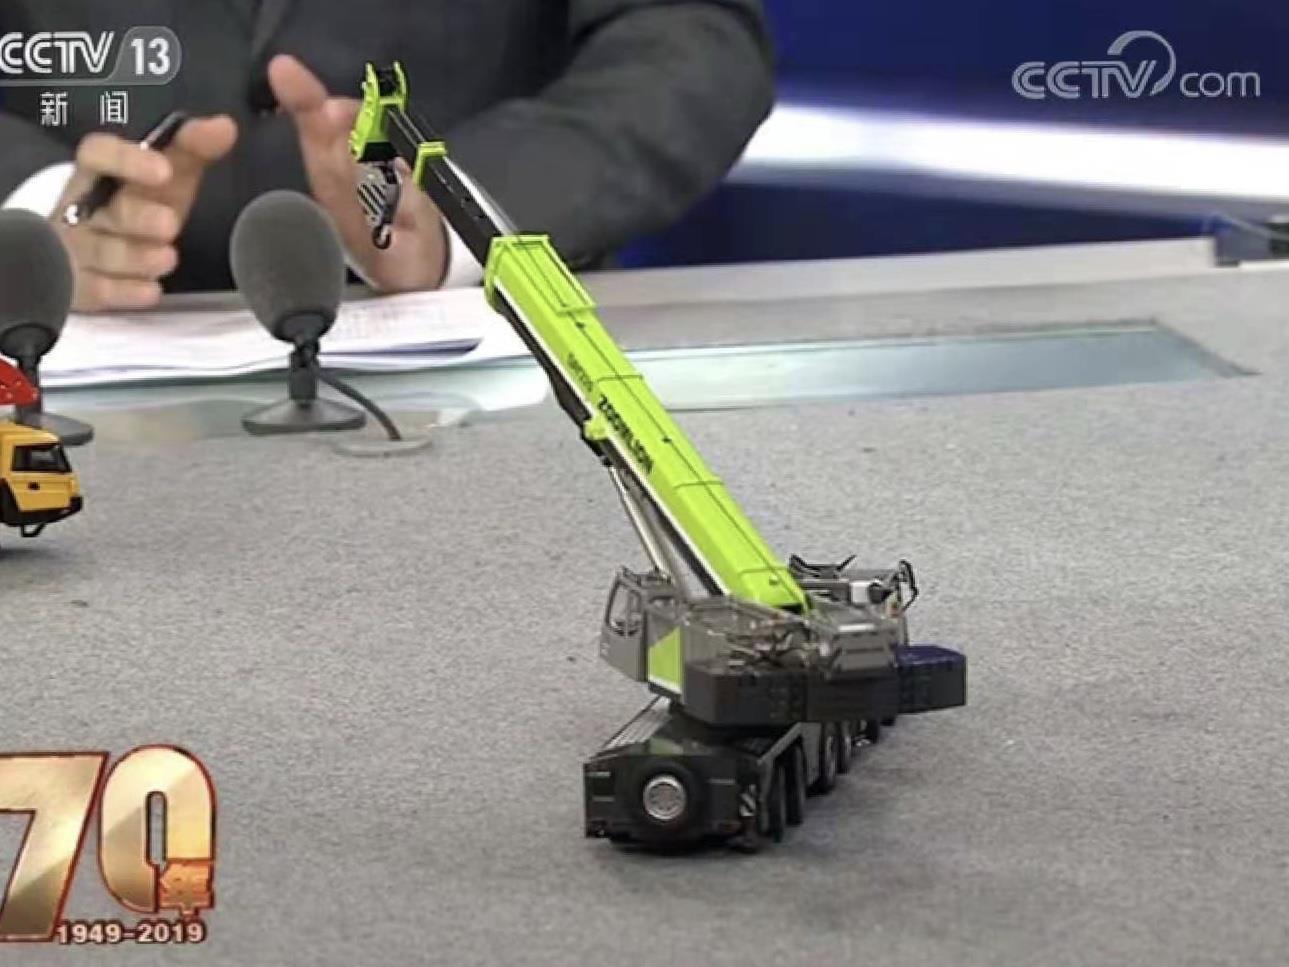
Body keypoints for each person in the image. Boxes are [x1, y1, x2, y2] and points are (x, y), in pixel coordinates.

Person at [0, 1, 774, 312]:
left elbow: (689, 41)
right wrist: (35, 215)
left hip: (493, 385)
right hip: (62, 387)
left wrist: (457, 204)